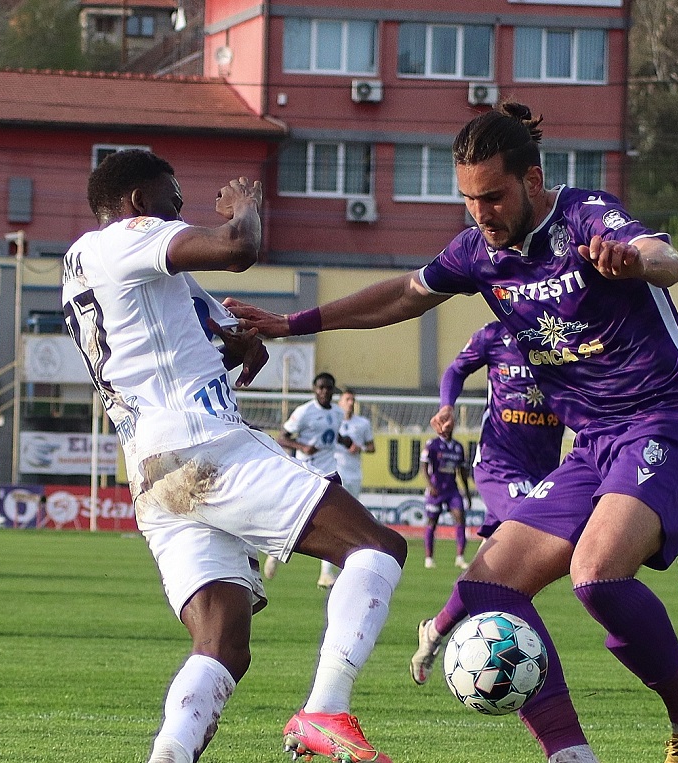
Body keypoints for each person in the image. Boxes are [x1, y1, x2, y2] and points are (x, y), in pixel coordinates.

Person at [222, 103, 678, 763]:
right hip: (594, 445)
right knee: (487, 589)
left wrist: (634, 260)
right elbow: (404, 294)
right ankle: (570, 755)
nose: (480, 213)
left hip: (671, 420)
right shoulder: (477, 253)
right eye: (468, 200)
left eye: (491, 197)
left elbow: (665, 257)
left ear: (533, 178)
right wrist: (292, 324)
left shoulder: (581, 216)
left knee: (596, 574)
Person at [61, 149, 406, 763]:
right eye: (172, 201)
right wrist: (245, 207)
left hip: (154, 472)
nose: (180, 215)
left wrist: (236, 340)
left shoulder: (88, 268)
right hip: (201, 446)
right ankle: (326, 711)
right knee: (377, 547)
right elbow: (235, 248)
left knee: (223, 647)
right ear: (139, 204)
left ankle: (171, 753)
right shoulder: (124, 238)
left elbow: (186, 331)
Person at [411, 320, 565, 685]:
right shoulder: (494, 334)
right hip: (500, 465)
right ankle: (522, 664)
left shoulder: (567, 334)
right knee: (533, 549)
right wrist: (446, 406)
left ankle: (434, 632)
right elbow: (456, 368)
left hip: (546, 471)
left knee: (492, 570)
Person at [263, 372, 345, 581]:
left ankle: (326, 573)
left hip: (329, 471)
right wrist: (302, 447)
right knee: (294, 516)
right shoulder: (304, 411)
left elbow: (334, 435)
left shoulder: (338, 412)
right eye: (321, 387)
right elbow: (283, 437)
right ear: (314, 389)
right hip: (306, 471)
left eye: (328, 388)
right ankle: (274, 552)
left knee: (333, 520)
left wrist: (348, 441)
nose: (325, 391)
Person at [322, 388, 377, 588]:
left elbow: (372, 447)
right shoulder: (332, 419)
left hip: (354, 476)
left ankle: (341, 570)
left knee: (350, 522)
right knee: (334, 521)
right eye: (347, 399)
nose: (351, 402)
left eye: (353, 399)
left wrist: (360, 447)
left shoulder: (362, 423)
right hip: (335, 473)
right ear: (340, 402)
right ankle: (326, 572)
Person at [420, 416, 474, 570]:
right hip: (436, 490)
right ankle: (429, 558)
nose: (447, 427)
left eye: (450, 424)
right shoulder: (432, 445)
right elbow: (424, 467)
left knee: (460, 518)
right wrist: (430, 485)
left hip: (452, 490)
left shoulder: (458, 447)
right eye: (444, 424)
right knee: (432, 522)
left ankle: (460, 557)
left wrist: (467, 493)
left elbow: (462, 472)